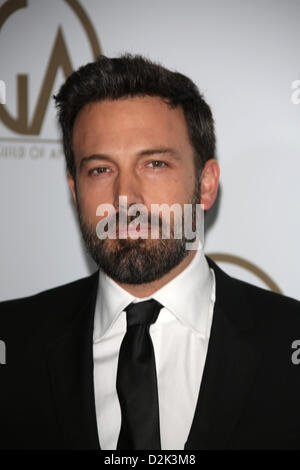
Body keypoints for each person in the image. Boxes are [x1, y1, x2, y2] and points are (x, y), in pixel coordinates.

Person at [0, 54, 299, 451]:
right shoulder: (11, 342)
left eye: (154, 164)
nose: (125, 198)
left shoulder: (289, 341)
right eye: (100, 170)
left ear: (206, 184)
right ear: (75, 192)